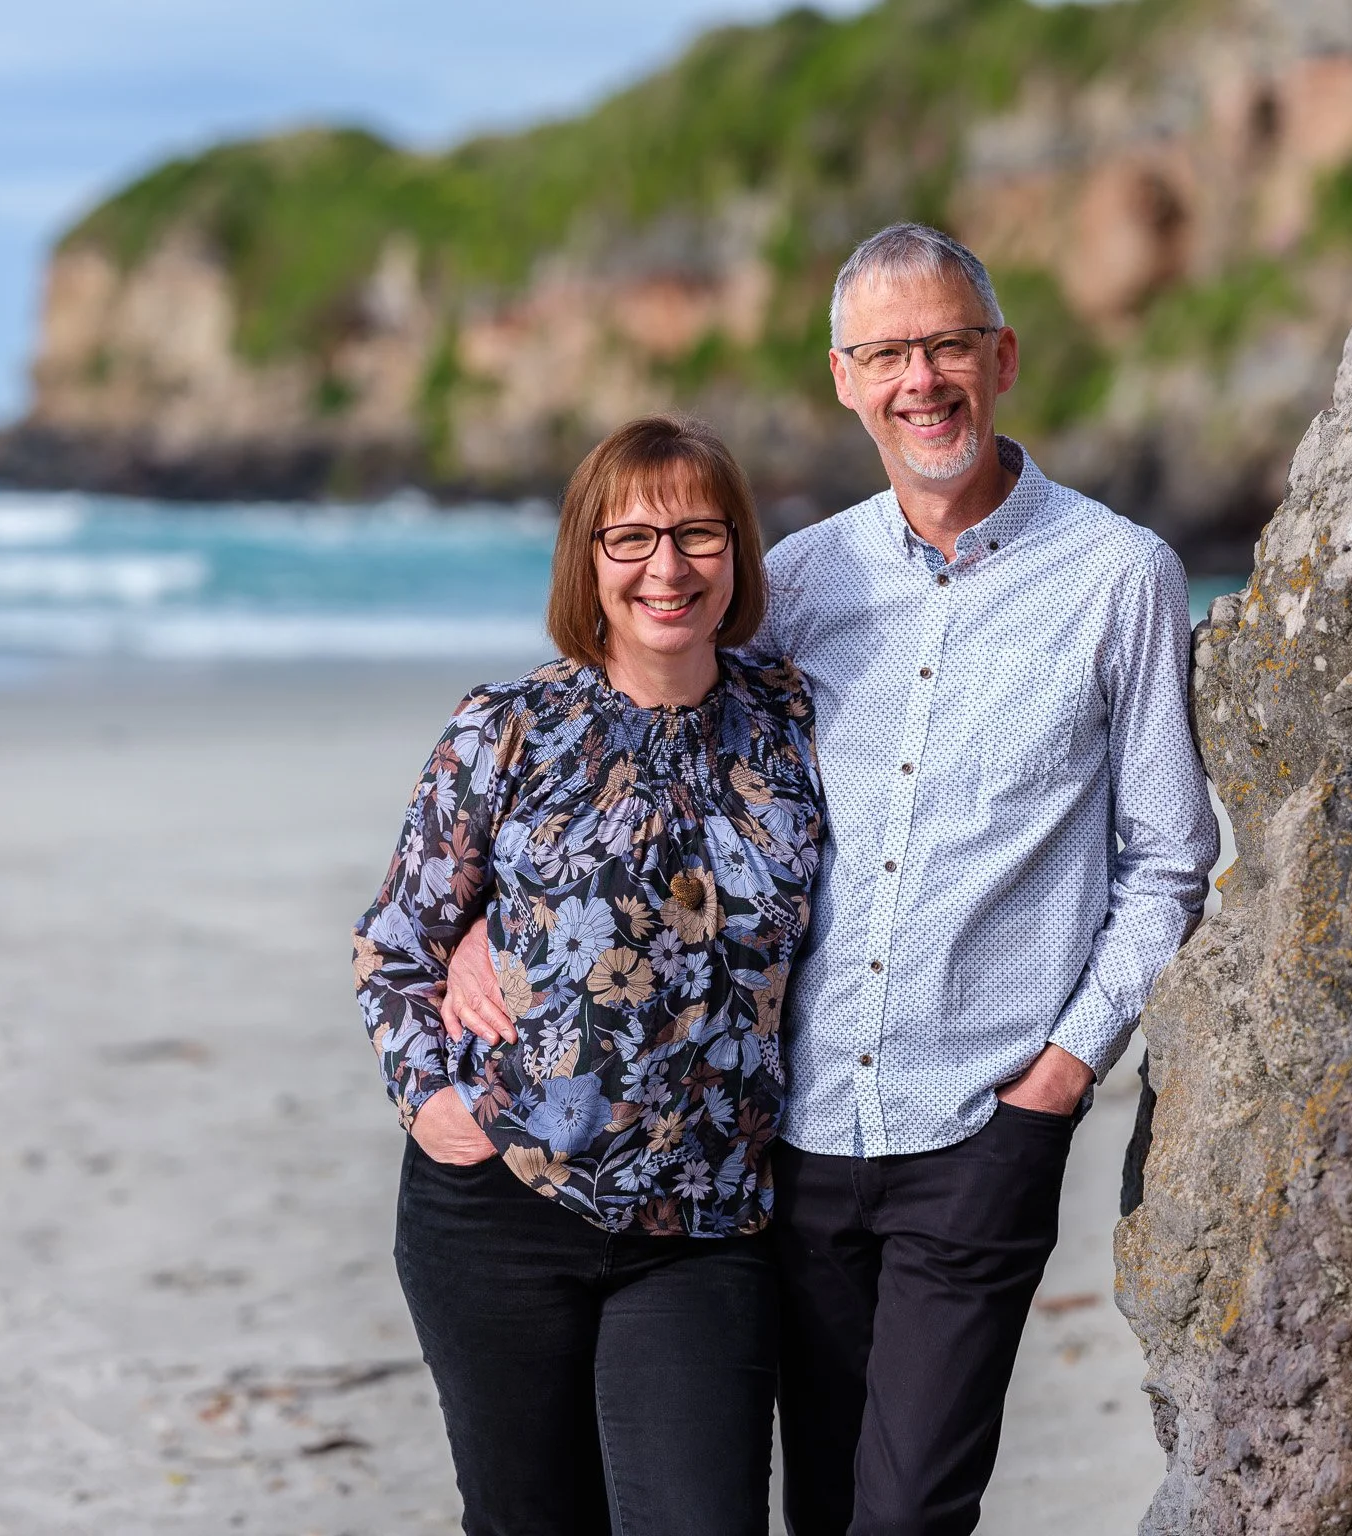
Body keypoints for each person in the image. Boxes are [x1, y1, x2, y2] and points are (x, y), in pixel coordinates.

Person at [441, 223, 1217, 1535]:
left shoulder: (1118, 577)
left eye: (947, 346)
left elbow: (1166, 864)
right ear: (844, 380)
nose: (922, 380)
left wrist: (1059, 1077)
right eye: (887, 354)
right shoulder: (798, 582)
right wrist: (485, 916)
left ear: (1001, 358)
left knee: (907, 1514)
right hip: (787, 1140)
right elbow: (643, 713)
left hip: (979, 1127)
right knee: (816, 1508)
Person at [354, 415, 825, 1536]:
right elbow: (397, 942)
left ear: (736, 551)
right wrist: (430, 1103)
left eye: (698, 534)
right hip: (501, 1210)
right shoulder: (506, 730)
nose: (668, 568)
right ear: (587, 558)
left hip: (706, 1222)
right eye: (631, 539)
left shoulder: (794, 722)